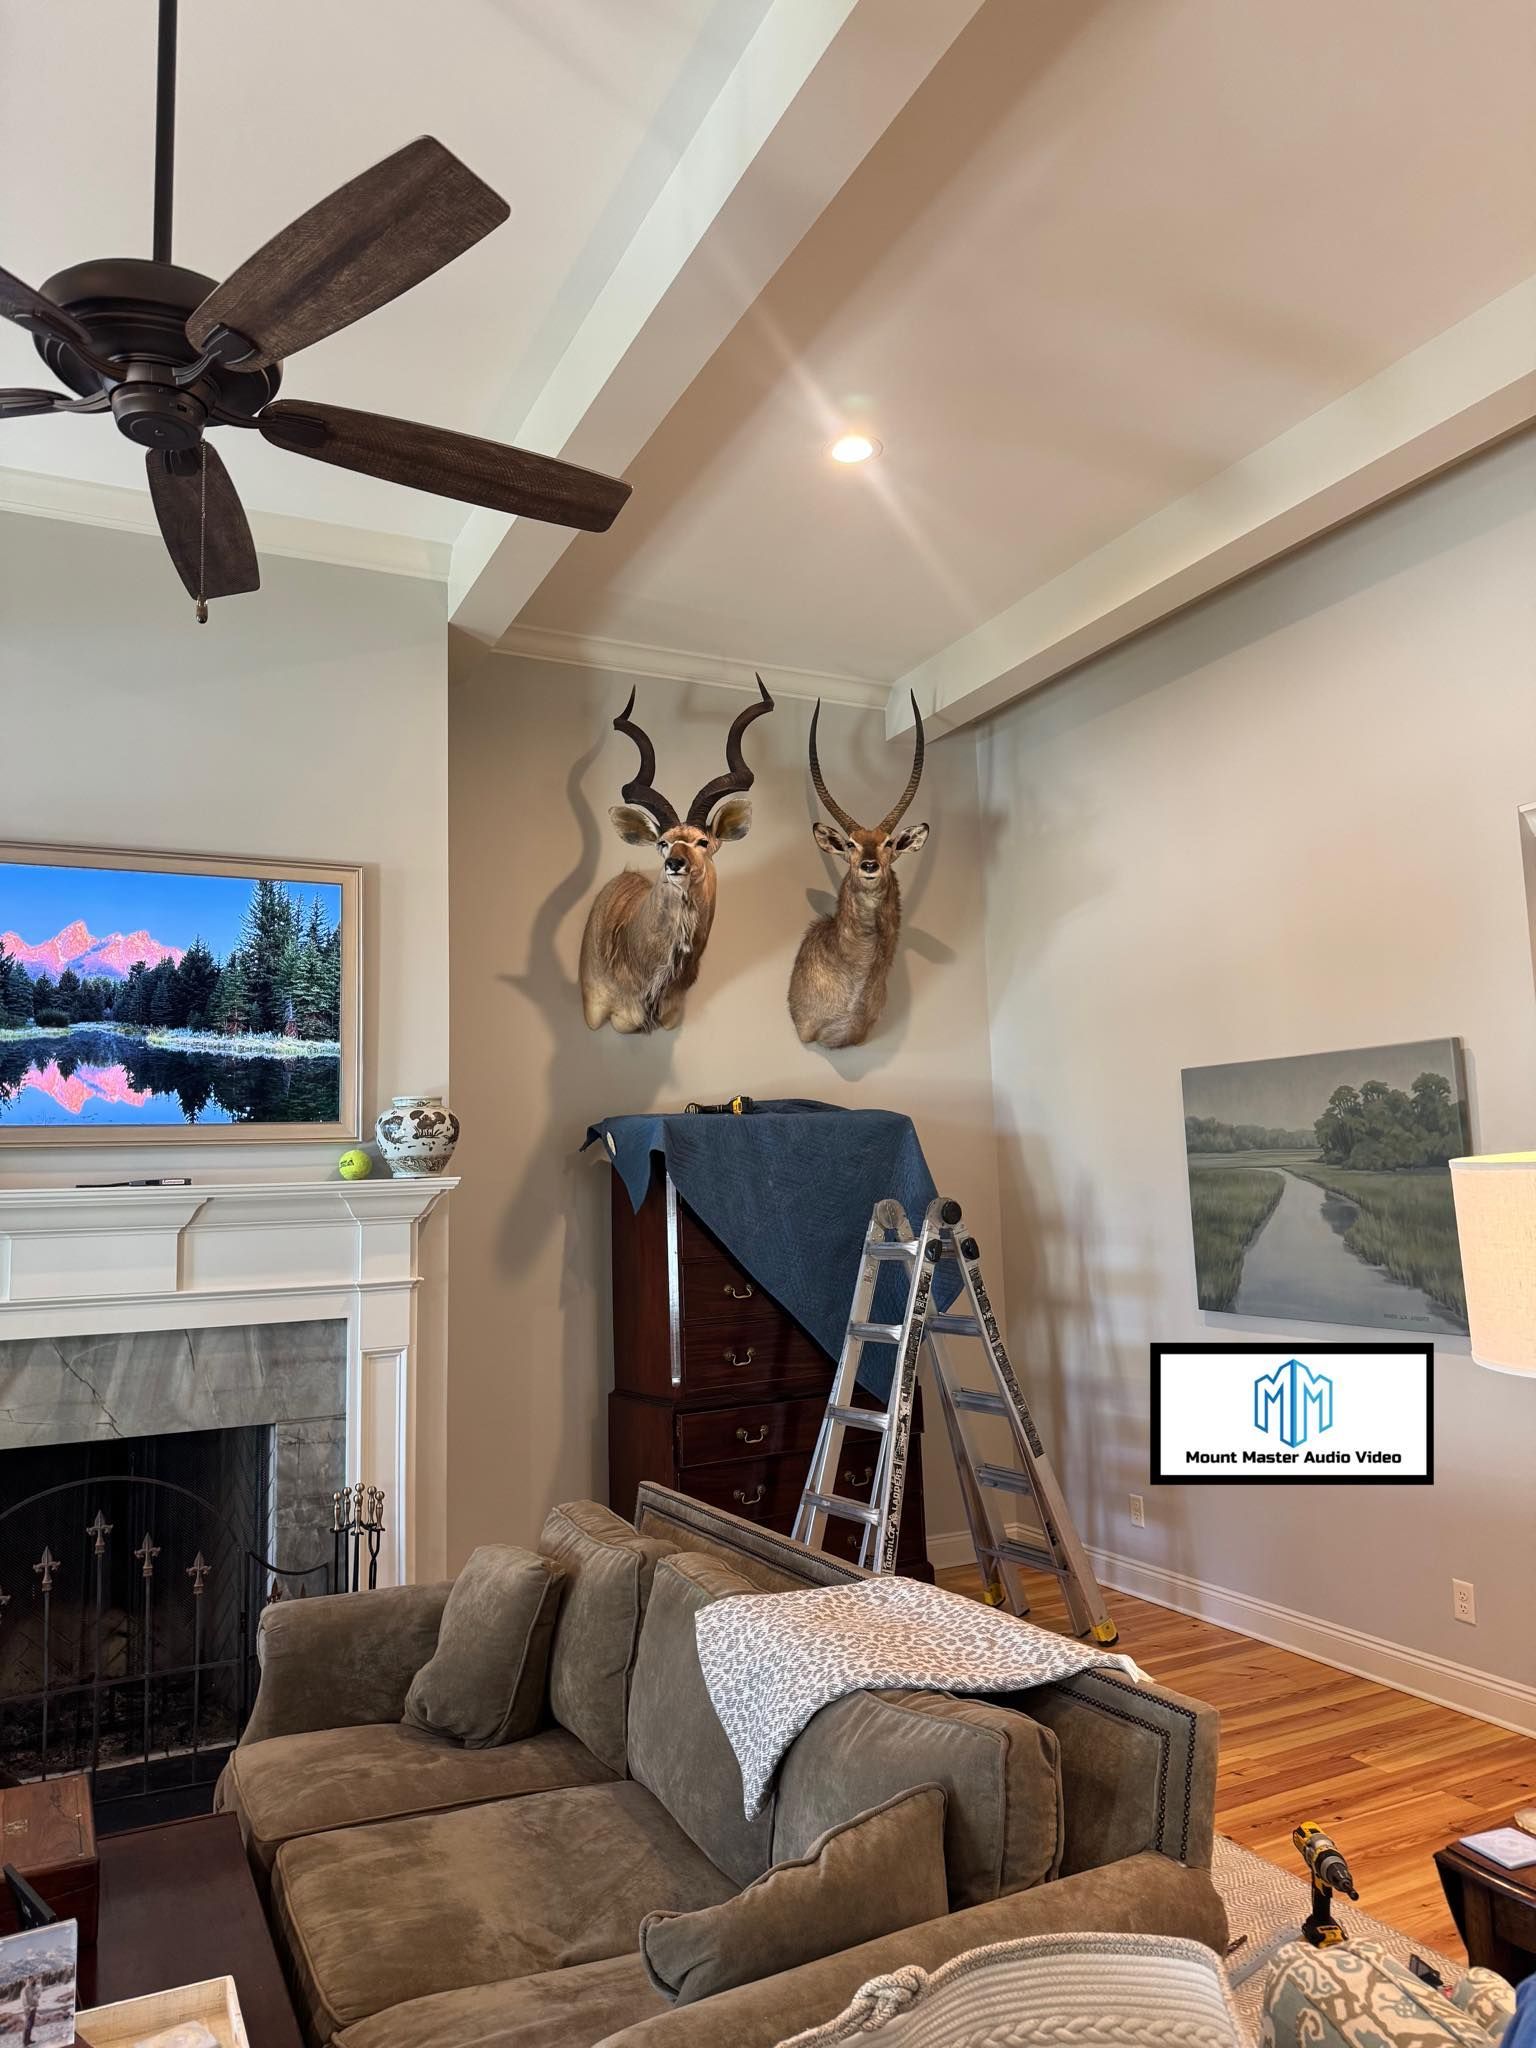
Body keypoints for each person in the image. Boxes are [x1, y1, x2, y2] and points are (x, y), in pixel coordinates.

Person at [20, 1970, 41, 2046]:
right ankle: (25, 2043)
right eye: (31, 1980)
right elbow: (25, 2001)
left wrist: (36, 1996)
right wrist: (29, 2007)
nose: (32, 1981)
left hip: (33, 2008)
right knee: (28, 2025)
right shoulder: (25, 1990)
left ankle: (28, 2040)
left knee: (31, 2024)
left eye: (33, 1980)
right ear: (28, 1981)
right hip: (29, 2010)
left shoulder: (32, 1988)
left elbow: (36, 1997)